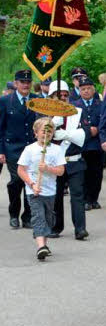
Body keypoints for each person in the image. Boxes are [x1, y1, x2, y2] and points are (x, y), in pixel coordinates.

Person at [17, 117, 65, 260]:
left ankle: (44, 244)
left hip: (50, 191)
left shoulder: (57, 150)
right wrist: (31, 184)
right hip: (34, 191)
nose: (46, 135)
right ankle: (40, 246)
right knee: (38, 217)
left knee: (49, 219)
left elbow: (61, 171)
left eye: (49, 132)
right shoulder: (29, 149)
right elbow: (21, 170)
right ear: (36, 132)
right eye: (43, 132)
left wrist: (48, 168)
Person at [47, 81, 88, 240]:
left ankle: (80, 229)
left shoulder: (77, 112)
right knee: (56, 195)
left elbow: (84, 134)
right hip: (55, 162)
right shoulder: (45, 114)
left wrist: (65, 134)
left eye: (65, 95)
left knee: (77, 195)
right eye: (59, 95)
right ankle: (55, 227)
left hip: (74, 160)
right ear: (51, 97)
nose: (63, 98)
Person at [0, 69, 39, 229]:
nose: (26, 85)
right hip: (13, 148)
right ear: (16, 84)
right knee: (16, 181)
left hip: (31, 148)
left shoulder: (37, 100)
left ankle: (28, 216)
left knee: (30, 181)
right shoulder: (5, 101)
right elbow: (0, 128)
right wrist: (1, 150)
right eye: (22, 82)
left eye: (28, 82)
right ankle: (14, 213)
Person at [72, 77, 104, 210]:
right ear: (79, 90)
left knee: (96, 173)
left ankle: (94, 199)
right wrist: (87, 131)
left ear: (93, 89)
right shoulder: (74, 105)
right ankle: (85, 199)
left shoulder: (101, 104)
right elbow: (72, 125)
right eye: (83, 89)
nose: (86, 91)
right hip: (82, 145)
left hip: (96, 145)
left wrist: (98, 129)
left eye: (88, 88)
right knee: (83, 173)